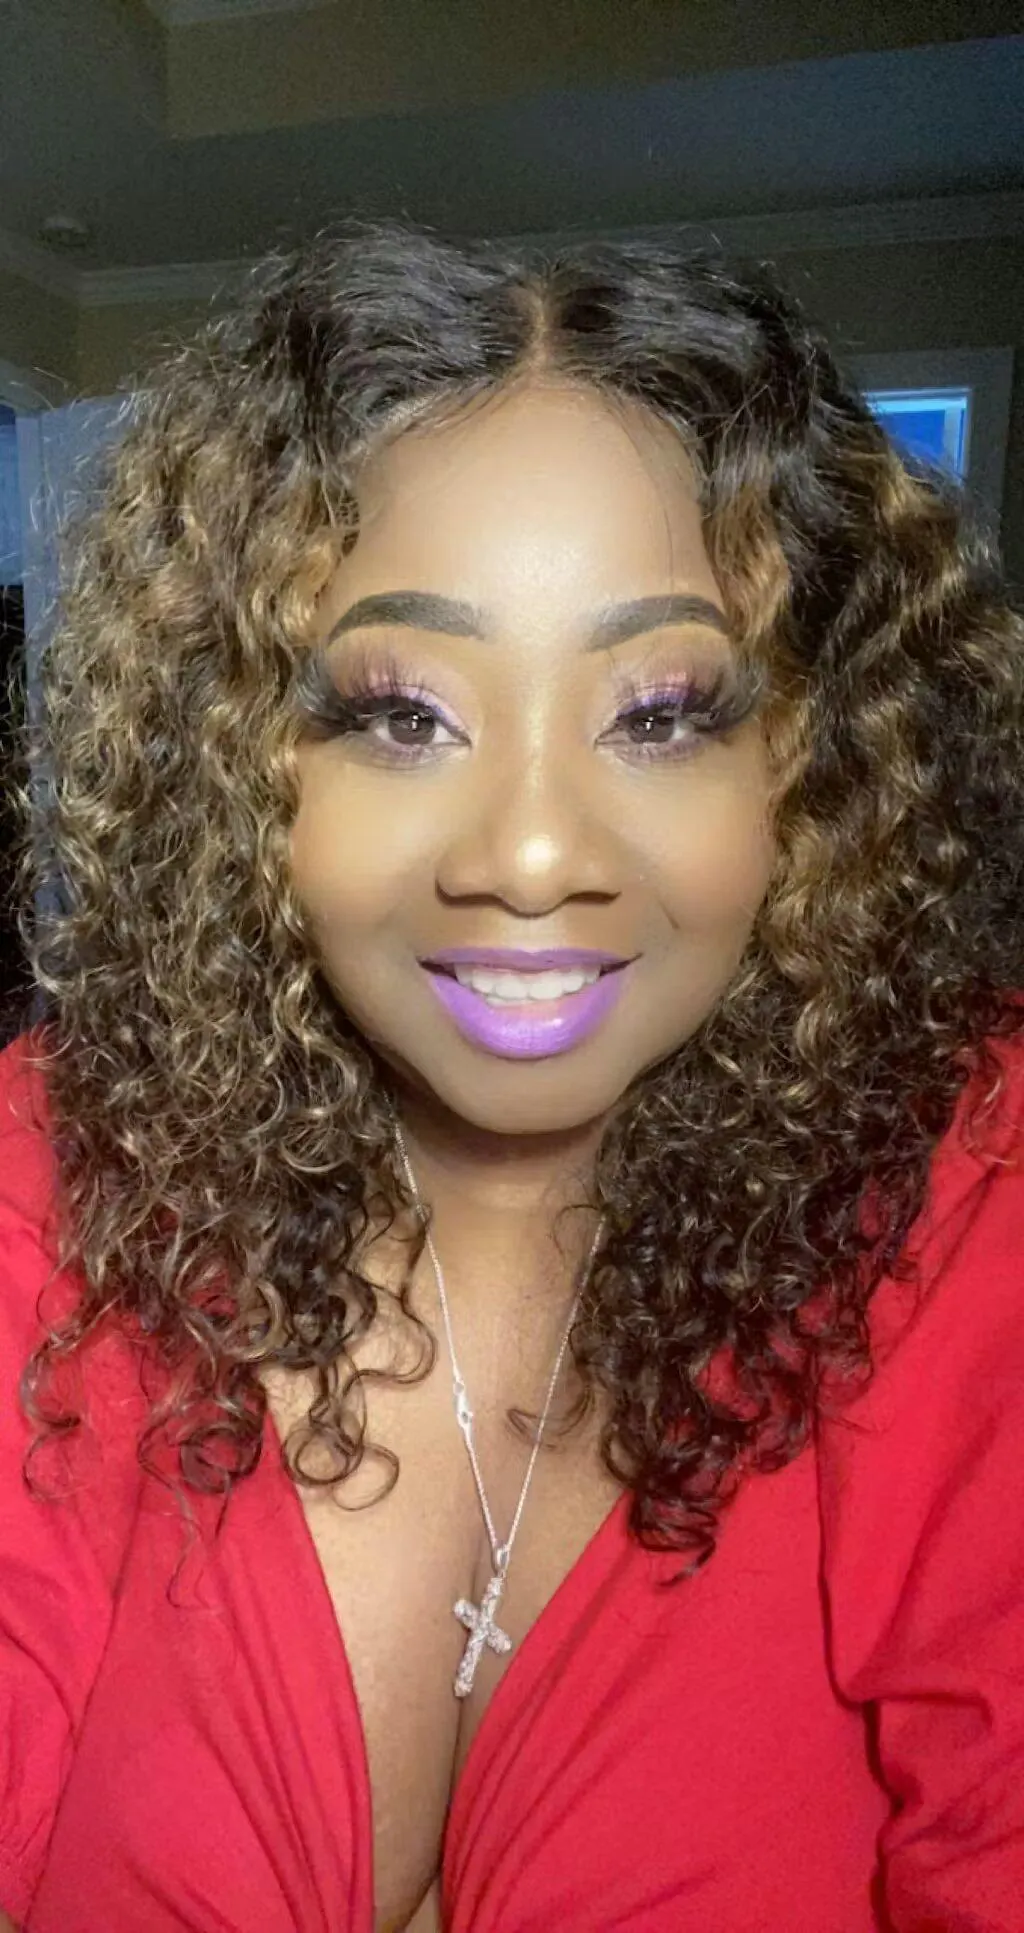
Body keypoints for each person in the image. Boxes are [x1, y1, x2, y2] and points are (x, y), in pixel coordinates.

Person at [1, 222, 1023, 1933]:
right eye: (403, 715)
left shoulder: (972, 1196)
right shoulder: (65, 1173)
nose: (534, 857)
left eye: (662, 712)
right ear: (244, 761)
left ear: (809, 756)